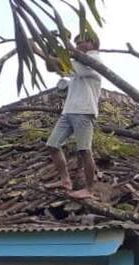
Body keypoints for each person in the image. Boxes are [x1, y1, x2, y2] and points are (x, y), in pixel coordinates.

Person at [41, 35, 103, 199]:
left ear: (92, 43)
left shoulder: (93, 61)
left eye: (81, 41)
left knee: (84, 150)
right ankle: (65, 180)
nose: (78, 44)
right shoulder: (79, 62)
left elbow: (62, 64)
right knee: (52, 145)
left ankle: (89, 189)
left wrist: (56, 52)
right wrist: (42, 50)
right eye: (76, 42)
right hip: (69, 110)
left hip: (84, 110)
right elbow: (53, 67)